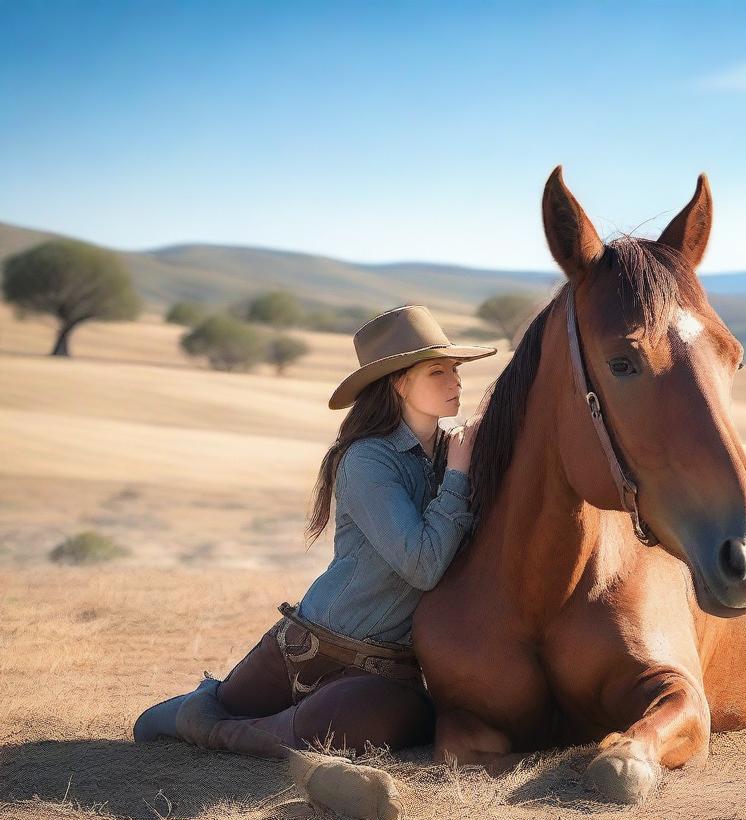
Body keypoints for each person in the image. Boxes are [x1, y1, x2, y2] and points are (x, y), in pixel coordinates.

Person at [133, 305, 497, 775]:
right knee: (162, 724)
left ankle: (231, 726)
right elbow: (422, 565)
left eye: (455, 370)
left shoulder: (456, 449)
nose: (456, 382)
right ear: (398, 383)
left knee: (364, 729)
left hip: (387, 667)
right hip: (310, 644)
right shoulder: (369, 460)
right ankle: (203, 715)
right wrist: (460, 475)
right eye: (437, 371)